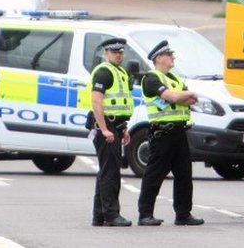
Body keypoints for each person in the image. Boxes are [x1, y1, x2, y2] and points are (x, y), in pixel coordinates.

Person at [137, 40, 204, 226]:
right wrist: (183, 95)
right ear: (159, 58)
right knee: (154, 175)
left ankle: (183, 214)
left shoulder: (175, 79)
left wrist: (180, 96)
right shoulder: (151, 79)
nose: (173, 57)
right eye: (169, 54)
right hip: (162, 133)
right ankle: (145, 214)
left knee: (184, 175)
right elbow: (173, 97)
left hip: (179, 132)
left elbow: (190, 101)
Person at [78, 37, 135, 227]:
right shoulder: (104, 72)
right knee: (110, 173)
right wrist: (103, 129)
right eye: (114, 52)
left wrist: (123, 128)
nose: (119, 55)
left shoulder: (119, 72)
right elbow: (96, 102)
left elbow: (118, 105)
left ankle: (100, 215)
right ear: (106, 53)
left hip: (114, 125)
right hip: (105, 126)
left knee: (106, 171)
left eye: (121, 52)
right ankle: (111, 214)